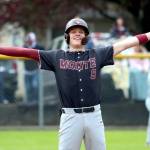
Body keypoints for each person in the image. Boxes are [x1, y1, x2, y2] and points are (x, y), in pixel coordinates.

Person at [0, 17, 150, 150]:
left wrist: (148, 36)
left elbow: (125, 44)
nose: (77, 33)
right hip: (70, 118)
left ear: (85, 36)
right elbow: (25, 52)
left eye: (81, 31)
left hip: (94, 116)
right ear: (67, 36)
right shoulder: (56, 56)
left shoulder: (97, 54)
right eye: (73, 31)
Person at [23, 32, 44, 103]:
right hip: (27, 71)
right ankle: (29, 101)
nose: (28, 42)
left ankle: (36, 101)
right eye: (28, 40)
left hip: (35, 70)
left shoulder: (39, 47)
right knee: (28, 88)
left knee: (35, 86)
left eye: (30, 40)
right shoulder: (24, 47)